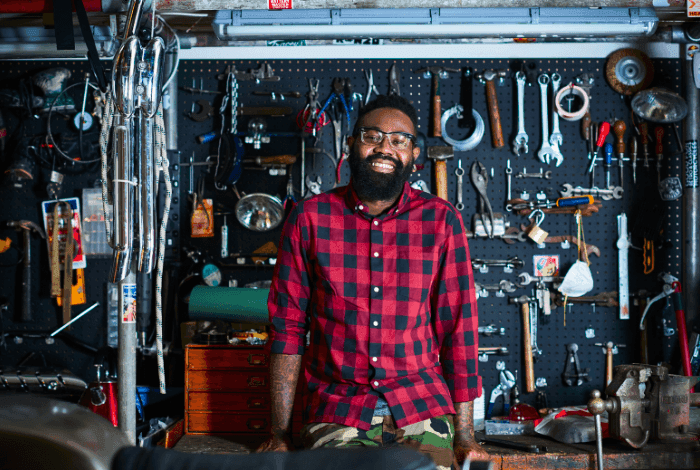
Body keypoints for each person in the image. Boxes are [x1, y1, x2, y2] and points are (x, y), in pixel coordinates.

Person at [257, 94, 486, 469]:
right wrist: (279, 434)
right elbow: (288, 328)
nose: (385, 147)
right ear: (351, 145)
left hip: (422, 408)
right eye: (372, 136)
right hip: (338, 410)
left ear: (414, 156)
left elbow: (459, 330)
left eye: (399, 141)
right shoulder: (309, 218)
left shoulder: (442, 222)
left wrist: (465, 437)